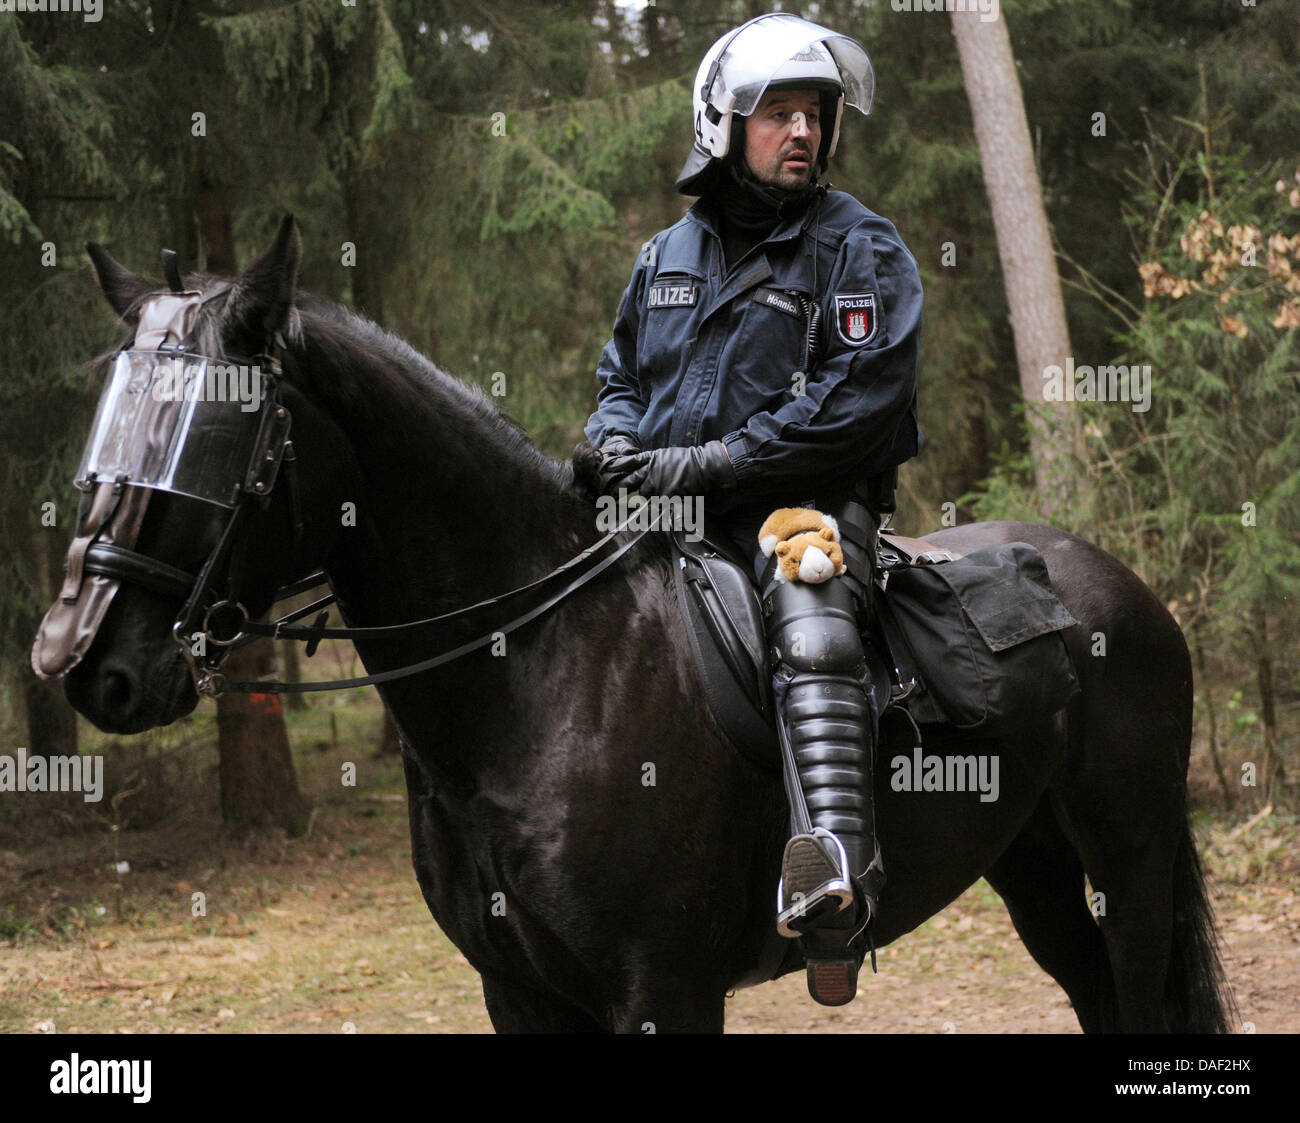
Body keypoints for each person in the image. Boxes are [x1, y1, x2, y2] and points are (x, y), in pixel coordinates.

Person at [583, 12, 923, 1005]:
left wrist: (720, 461)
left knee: (810, 609)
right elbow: (617, 376)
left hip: (804, 507)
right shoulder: (665, 255)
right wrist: (613, 442)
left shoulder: (859, 247)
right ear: (724, 122)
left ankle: (831, 880)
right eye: (779, 113)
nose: (803, 132)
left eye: (814, 114)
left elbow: (854, 404)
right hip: (668, 504)